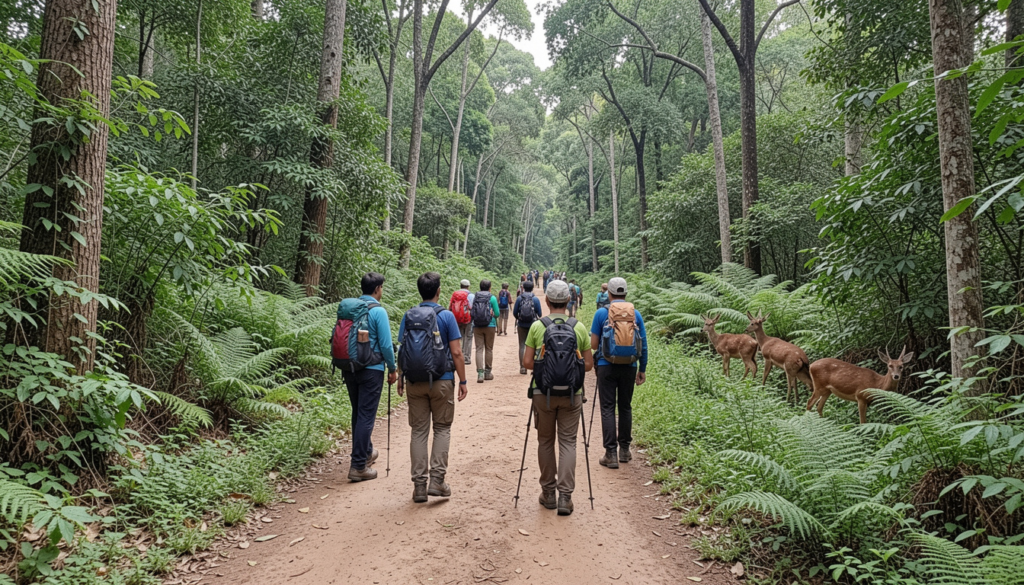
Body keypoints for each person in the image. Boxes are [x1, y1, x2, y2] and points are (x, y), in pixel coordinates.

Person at [522, 280, 593, 516]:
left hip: (543, 393)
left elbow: (527, 362)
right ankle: (565, 497)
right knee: (568, 442)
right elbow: (589, 365)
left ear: (547, 301)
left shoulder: (537, 327)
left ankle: (548, 493)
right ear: (568, 300)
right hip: (572, 394)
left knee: (545, 441)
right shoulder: (579, 327)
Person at [397, 272, 468, 502]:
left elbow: (402, 349)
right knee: (442, 429)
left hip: (414, 381)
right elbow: (456, 352)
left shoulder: (409, 316)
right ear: (439, 291)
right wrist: (463, 381)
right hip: (442, 380)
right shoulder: (446, 317)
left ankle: (419, 486)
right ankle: (437, 481)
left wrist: (400, 378)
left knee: (418, 431)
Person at [338, 272, 397, 482]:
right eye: (382, 288)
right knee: (366, 415)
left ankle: (367, 452)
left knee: (358, 413)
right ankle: (358, 466)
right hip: (371, 369)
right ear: (377, 289)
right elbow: (386, 345)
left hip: (349, 367)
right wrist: (392, 368)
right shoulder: (378, 311)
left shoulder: (351, 309)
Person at [590, 277, 648, 470]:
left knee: (607, 408)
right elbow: (643, 345)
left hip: (606, 365)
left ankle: (610, 454)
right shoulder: (635, 315)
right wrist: (642, 369)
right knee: (625, 407)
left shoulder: (601, 313)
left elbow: (593, 345)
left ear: (609, 293)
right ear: (626, 293)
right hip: (629, 366)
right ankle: (625, 450)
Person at [471, 279, 500, 383]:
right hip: (490, 325)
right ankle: (488, 373)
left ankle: (480, 374)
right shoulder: (492, 298)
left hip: (477, 325)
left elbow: (472, 311)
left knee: (479, 349)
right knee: (489, 349)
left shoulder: (476, 297)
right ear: (489, 287)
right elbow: (497, 313)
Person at [513, 280, 542, 375]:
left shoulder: (519, 298)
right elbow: (540, 314)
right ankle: (533, 367)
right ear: (532, 288)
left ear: (524, 288)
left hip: (521, 325)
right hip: (533, 325)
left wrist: (519, 318)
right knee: (533, 345)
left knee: (522, 345)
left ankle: (522, 368)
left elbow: (514, 312)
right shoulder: (535, 299)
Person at [450, 280, 474, 366]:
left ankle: (458, 357)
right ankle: (466, 358)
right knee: (468, 337)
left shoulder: (455, 294)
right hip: (468, 319)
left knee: (459, 337)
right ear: (468, 286)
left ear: (460, 285)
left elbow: (450, 307)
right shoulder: (471, 295)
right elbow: (472, 308)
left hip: (457, 319)